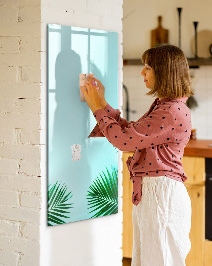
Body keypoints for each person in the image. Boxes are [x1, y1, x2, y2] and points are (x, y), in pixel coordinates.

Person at [80, 44, 193, 266]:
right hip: (155, 194)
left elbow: (124, 141)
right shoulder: (166, 106)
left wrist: (96, 108)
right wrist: (102, 103)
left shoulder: (170, 111)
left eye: (148, 67)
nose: (142, 72)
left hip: (161, 196)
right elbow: (132, 133)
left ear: (164, 72)